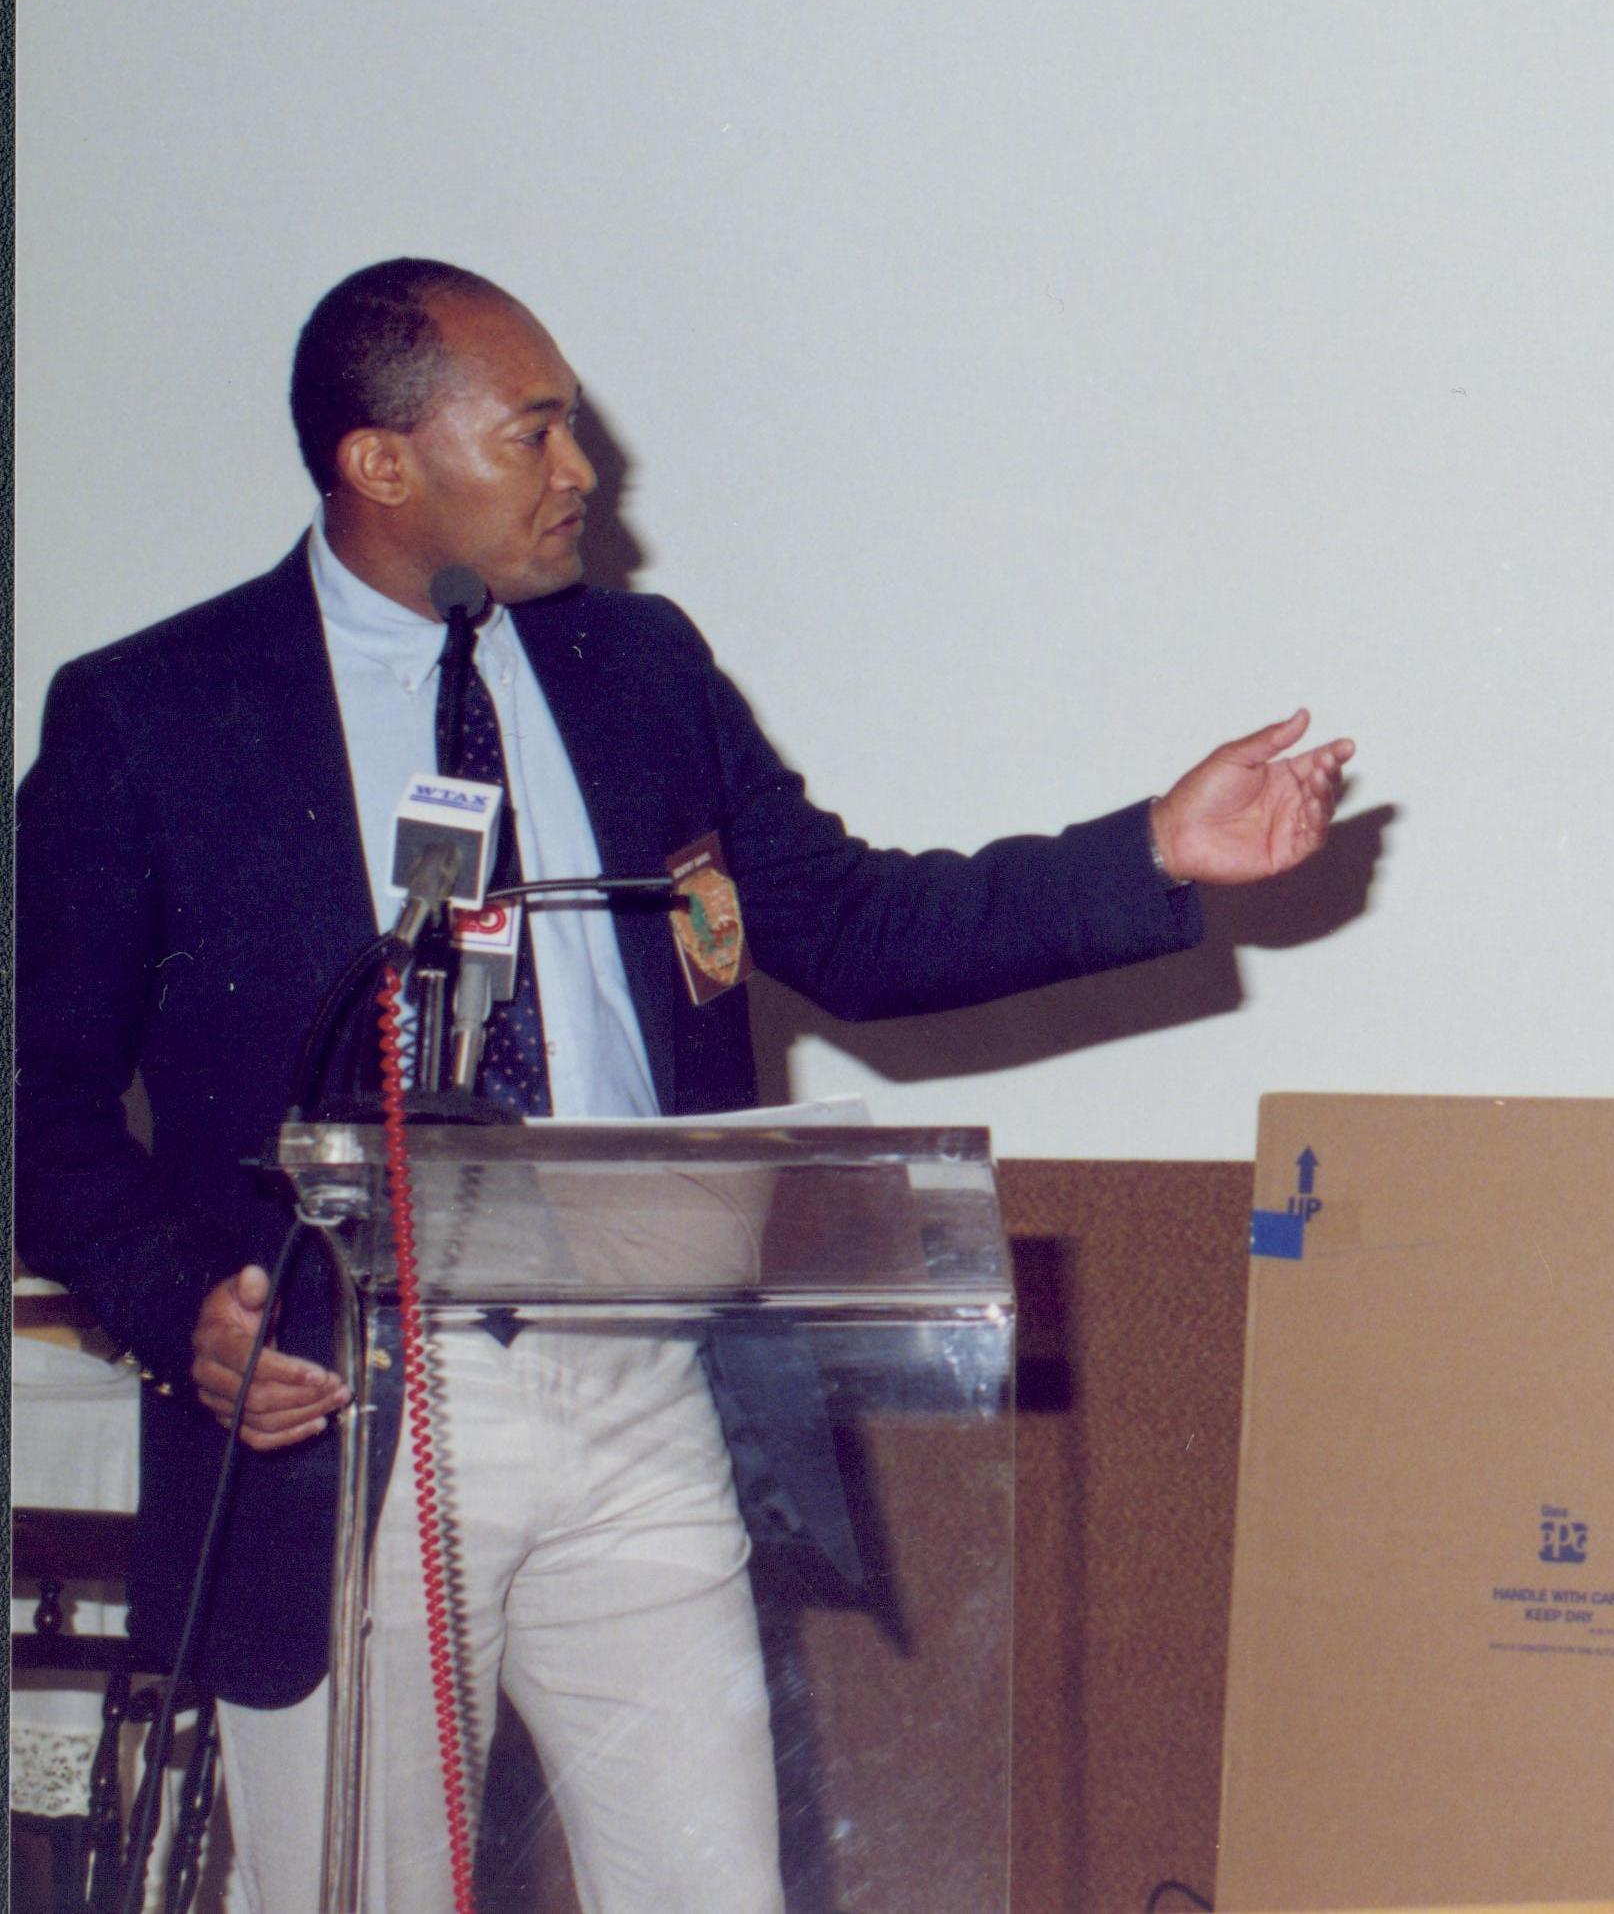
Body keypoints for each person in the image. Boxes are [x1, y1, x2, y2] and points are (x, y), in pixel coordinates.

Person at [13, 258, 1357, 1913]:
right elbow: (36, 1101)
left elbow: (853, 928)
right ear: (382, 463)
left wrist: (1151, 849)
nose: (585, 473)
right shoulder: (155, 716)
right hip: (355, 1409)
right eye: (538, 431)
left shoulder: (636, 669)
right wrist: (178, 1309)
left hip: (638, 1385)